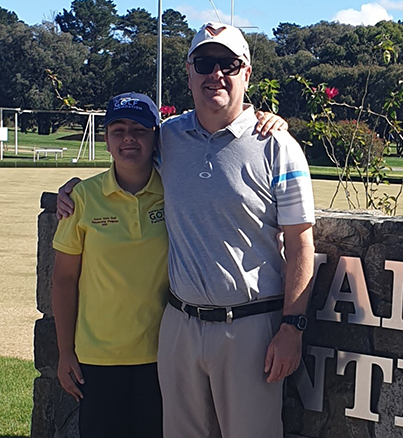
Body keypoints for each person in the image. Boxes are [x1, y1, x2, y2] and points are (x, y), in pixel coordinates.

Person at [58, 22, 315, 438]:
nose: (217, 74)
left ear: (247, 74)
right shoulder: (170, 137)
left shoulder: (277, 145)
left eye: (229, 64)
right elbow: (128, 155)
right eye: (205, 63)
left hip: (250, 326)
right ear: (189, 73)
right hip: (179, 326)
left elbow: (301, 240)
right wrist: (72, 190)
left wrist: (292, 326)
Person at [52, 92, 167, 438]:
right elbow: (63, 279)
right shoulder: (82, 198)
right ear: (105, 139)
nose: (128, 138)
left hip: (161, 354)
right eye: (118, 130)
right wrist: (64, 352)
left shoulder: (175, 193)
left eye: (139, 129)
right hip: (97, 359)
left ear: (155, 136)